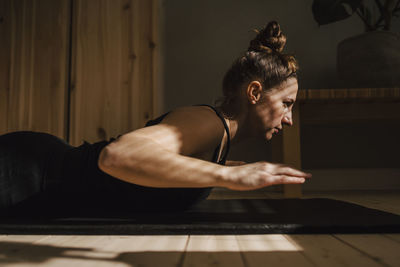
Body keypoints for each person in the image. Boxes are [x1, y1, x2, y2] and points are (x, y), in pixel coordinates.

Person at [0, 21, 311, 217]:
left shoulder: (218, 139)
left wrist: (227, 168)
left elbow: (171, 161)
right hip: (27, 174)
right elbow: (115, 156)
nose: (289, 119)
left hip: (40, 190)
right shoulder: (209, 123)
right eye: (287, 104)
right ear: (255, 93)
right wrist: (231, 178)